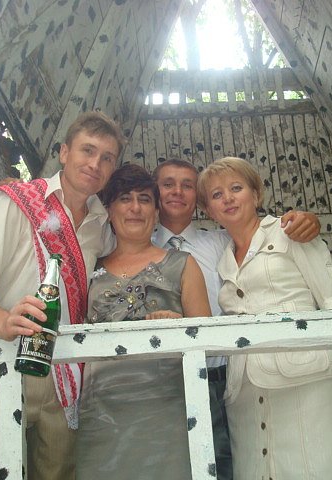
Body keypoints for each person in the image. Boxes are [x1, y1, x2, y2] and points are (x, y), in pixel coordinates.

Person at [0, 111, 125, 480]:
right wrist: (2, 321)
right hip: (4, 356)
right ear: (64, 152)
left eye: (107, 158)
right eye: (87, 150)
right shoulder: (17, 201)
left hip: (65, 371)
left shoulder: (103, 227)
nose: (95, 164)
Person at [196, 157, 332, 480]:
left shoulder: (291, 232)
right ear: (209, 210)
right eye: (217, 195)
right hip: (245, 396)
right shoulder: (222, 260)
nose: (228, 198)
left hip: (308, 383)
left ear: (256, 194)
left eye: (236, 188)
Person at [151, 159, 323, 480]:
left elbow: (262, 235)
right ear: (154, 191)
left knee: (227, 465)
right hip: (158, 380)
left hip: (219, 375)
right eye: (168, 184)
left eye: (187, 185)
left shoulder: (221, 241)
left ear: (199, 200)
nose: (177, 191)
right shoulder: (133, 244)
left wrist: (308, 220)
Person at [76, 163, 211, 479]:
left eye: (144, 199)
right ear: (109, 210)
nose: (135, 208)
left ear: (156, 210)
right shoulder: (88, 267)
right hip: (100, 414)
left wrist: (180, 325)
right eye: (125, 198)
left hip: (169, 411)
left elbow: (207, 339)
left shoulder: (184, 264)